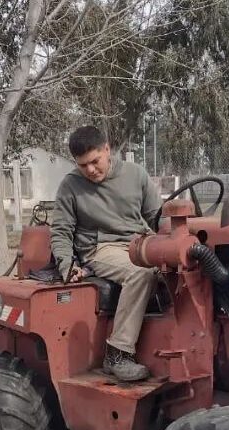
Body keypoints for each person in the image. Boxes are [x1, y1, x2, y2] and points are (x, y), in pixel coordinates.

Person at [51, 125, 162, 382]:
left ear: (107, 150)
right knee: (142, 274)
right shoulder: (71, 186)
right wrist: (66, 264)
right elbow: (61, 231)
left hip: (140, 241)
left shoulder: (135, 175)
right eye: (82, 165)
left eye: (94, 161)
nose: (90, 170)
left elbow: (157, 218)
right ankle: (117, 354)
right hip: (100, 248)